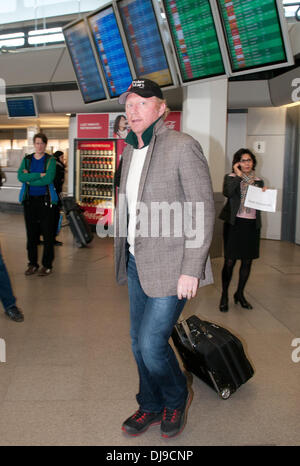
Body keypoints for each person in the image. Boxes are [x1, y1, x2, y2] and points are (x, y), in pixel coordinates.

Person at [114, 78, 215, 438]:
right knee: (135, 341)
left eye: (142, 103)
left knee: (152, 344)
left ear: (160, 108)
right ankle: (150, 404)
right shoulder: (129, 150)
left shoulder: (182, 146)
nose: (132, 110)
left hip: (173, 267)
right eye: (129, 103)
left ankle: (175, 397)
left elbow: (202, 211)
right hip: (136, 261)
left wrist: (192, 269)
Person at [219, 148, 266, 312]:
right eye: (243, 160)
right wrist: (239, 176)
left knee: (247, 261)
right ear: (237, 163)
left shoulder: (259, 181)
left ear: (253, 163)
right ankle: (224, 295)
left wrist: (265, 196)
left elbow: (260, 203)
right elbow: (227, 192)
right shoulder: (231, 177)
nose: (247, 163)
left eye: (249, 160)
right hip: (234, 224)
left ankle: (239, 294)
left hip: (251, 225)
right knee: (230, 261)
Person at [18, 133, 58, 277]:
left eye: (42, 143)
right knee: (31, 234)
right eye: (37, 143)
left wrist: (30, 178)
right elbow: (20, 177)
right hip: (29, 201)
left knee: (47, 234)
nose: (39, 146)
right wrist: (37, 175)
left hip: (45, 201)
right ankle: (32, 264)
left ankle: (47, 265)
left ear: (45, 145)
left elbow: (48, 179)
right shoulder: (27, 159)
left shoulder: (50, 160)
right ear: (33, 144)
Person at [53, 150, 65, 246]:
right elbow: (57, 183)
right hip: (55, 195)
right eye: (62, 157)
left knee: (55, 216)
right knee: (54, 216)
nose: (63, 159)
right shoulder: (57, 167)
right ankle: (52, 238)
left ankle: (52, 237)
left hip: (56, 194)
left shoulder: (58, 166)